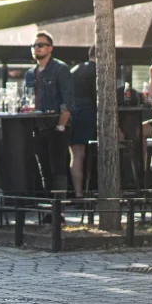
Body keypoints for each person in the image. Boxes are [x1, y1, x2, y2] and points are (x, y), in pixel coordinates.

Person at [24, 31, 74, 194]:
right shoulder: (30, 74)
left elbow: (67, 101)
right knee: (44, 169)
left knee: (58, 169)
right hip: (37, 126)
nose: (36, 48)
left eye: (40, 45)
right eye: (33, 45)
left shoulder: (60, 69)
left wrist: (61, 126)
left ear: (50, 48)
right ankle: (49, 210)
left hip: (56, 125)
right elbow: (27, 100)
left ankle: (59, 211)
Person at [69, 46, 97, 198]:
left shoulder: (74, 70)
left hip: (73, 115)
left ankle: (78, 193)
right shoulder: (97, 71)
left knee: (77, 155)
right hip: (89, 114)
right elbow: (98, 99)